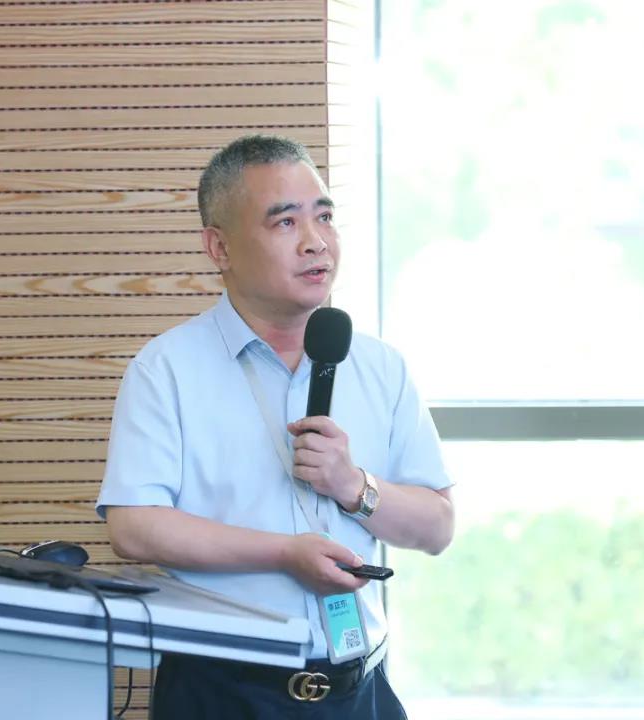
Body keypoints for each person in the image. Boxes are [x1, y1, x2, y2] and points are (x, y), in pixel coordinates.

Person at [96, 135, 454, 719]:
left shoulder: (381, 366)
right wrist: (284, 554)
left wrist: (354, 487)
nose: (316, 242)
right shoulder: (166, 369)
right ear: (220, 247)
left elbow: (437, 526)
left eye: (324, 217)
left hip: (359, 691)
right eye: (285, 222)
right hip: (220, 693)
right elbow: (134, 528)